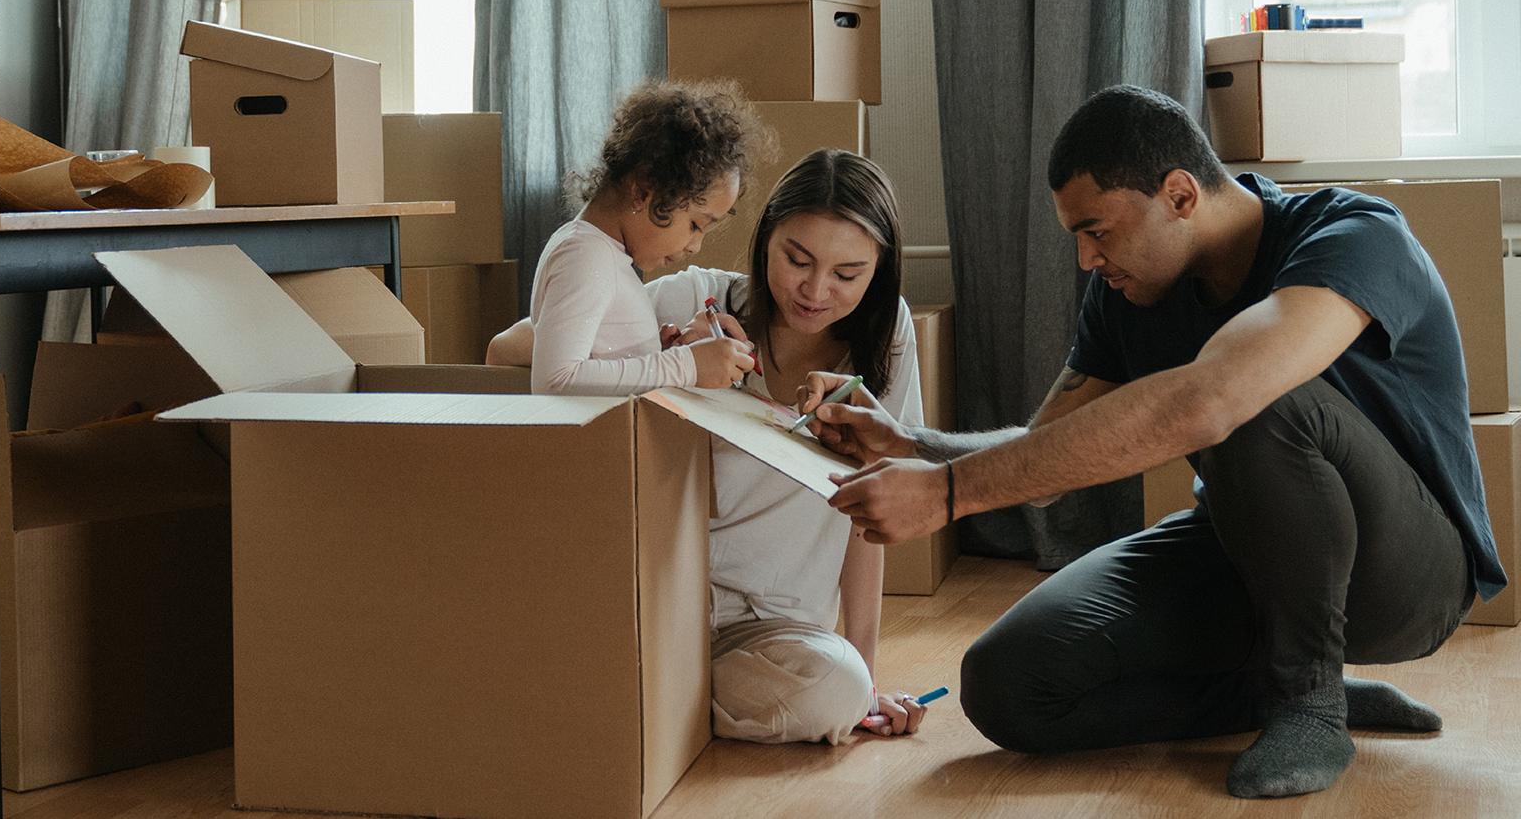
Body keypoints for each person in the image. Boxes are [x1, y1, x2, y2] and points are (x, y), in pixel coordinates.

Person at [804, 85, 1505, 796]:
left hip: (1409, 576)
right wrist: (914, 447)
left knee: (1254, 394)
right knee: (1008, 683)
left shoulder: (1355, 234)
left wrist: (949, 495)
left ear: (1179, 194)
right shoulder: (1127, 292)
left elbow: (1217, 398)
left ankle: (1310, 703)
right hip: (1244, 551)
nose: (1084, 259)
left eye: (1098, 230)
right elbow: (1048, 453)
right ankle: (1269, 690)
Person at [492, 149, 930, 742]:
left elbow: (869, 513)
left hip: (775, 630)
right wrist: (667, 359)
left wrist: (868, 678)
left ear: (878, 272)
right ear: (764, 239)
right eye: (796, 259)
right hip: (662, 602)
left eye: (847, 275)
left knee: (839, 690)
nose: (815, 290)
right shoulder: (693, 298)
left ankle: (644, 703)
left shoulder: (888, 340)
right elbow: (508, 350)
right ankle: (650, 699)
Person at [526, 78, 759, 395]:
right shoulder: (586, 255)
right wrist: (685, 365)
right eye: (695, 225)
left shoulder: (603, 254)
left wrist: (656, 355)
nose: (696, 246)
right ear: (643, 191)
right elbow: (555, 380)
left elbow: (601, 366)